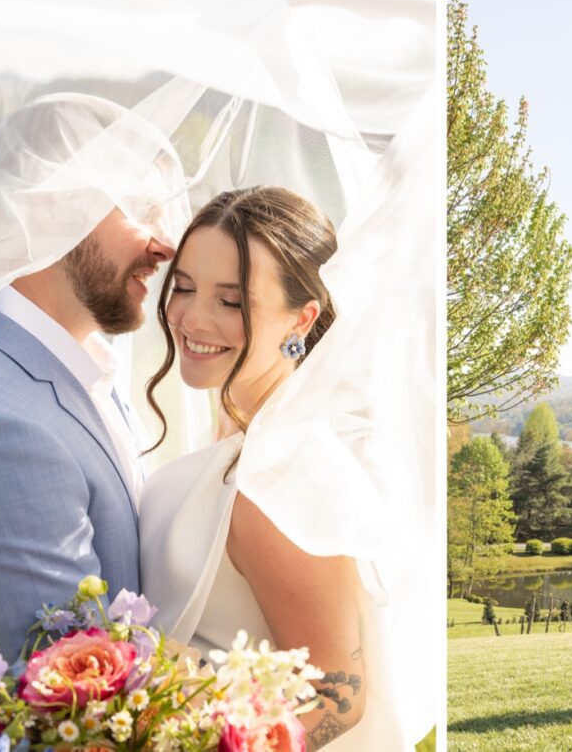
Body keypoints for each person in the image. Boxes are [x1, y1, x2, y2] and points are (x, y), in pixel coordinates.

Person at [0, 93, 185, 665]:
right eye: (140, 210)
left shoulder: (77, 361)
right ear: (49, 209)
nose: (167, 245)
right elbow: (78, 694)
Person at [141, 186, 392, 750]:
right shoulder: (242, 430)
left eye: (230, 302)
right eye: (182, 288)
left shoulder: (285, 473)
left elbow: (337, 697)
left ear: (301, 319)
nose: (191, 318)